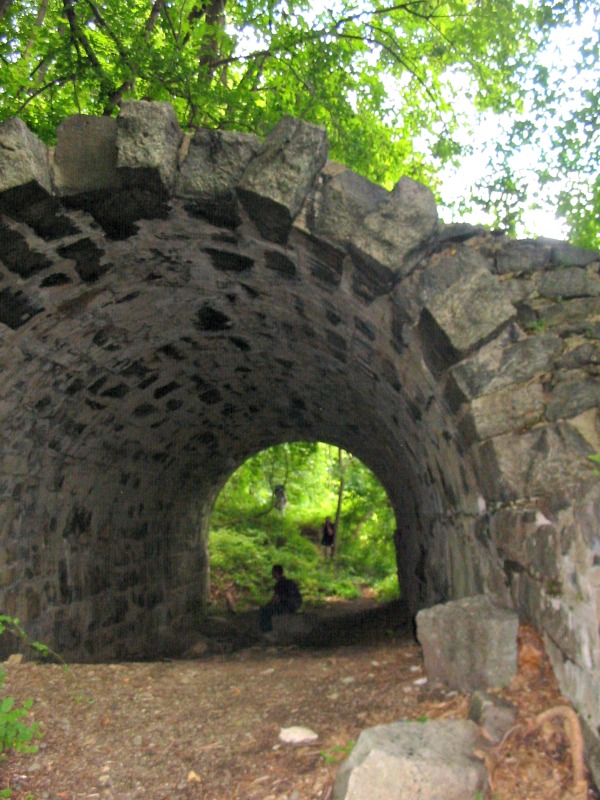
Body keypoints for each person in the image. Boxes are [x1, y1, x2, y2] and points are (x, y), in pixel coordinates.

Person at [259, 565, 302, 633]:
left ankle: (267, 632)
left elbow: (275, 599)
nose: (272, 574)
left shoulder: (279, 584)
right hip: (296, 605)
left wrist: (266, 606)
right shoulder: (290, 582)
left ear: (276, 573)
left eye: (273, 572)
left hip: (288, 607)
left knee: (265, 611)